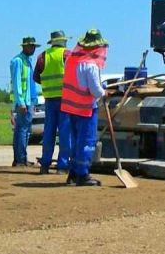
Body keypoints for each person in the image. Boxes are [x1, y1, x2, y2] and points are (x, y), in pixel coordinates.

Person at [61, 29, 109, 186]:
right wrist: (104, 92)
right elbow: (95, 90)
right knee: (87, 142)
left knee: (76, 141)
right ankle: (82, 174)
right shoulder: (91, 65)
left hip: (71, 107)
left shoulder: (72, 60)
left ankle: (73, 173)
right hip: (86, 109)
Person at [34, 30, 72, 175]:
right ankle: (62, 166)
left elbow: (36, 77)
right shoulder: (67, 55)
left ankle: (45, 164)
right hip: (65, 98)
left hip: (49, 99)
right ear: (63, 41)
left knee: (49, 132)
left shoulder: (43, 56)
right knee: (64, 133)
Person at [10, 37, 40, 166]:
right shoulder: (18, 61)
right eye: (30, 46)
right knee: (23, 130)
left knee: (24, 130)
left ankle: (21, 158)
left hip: (30, 100)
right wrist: (21, 102)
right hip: (24, 102)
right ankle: (21, 159)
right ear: (24, 47)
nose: (33, 49)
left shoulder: (28, 61)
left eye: (34, 46)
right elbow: (17, 84)